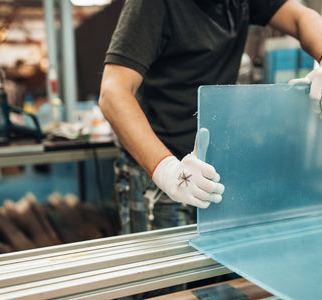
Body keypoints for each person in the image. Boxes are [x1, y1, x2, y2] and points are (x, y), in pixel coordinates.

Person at [99, 0, 322, 233]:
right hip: (159, 163)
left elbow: (301, 18)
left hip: (212, 161)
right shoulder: (150, 5)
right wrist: (167, 172)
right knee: (162, 263)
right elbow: (113, 93)